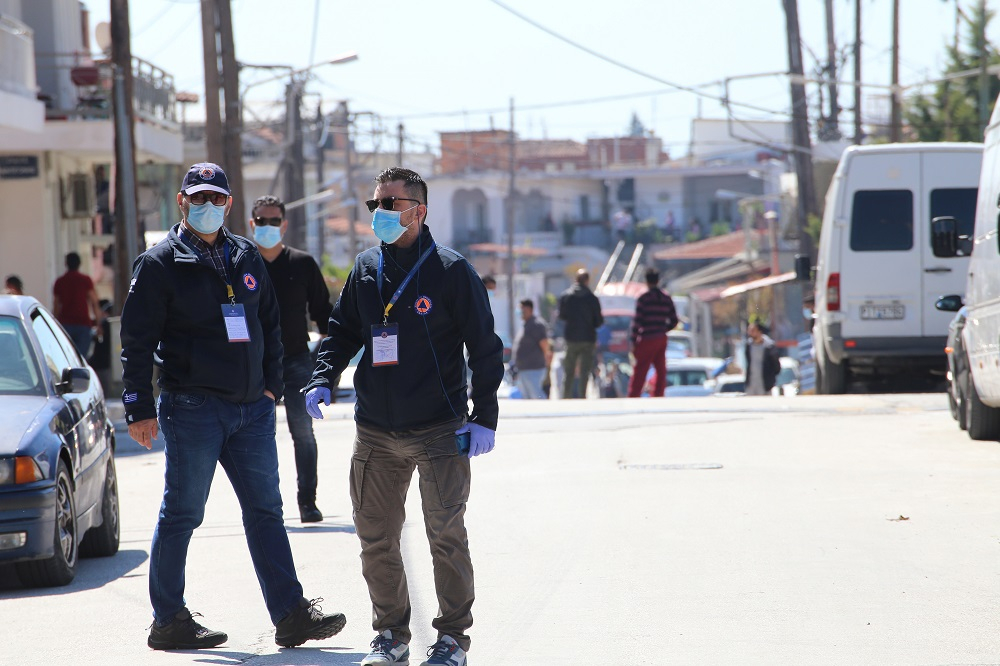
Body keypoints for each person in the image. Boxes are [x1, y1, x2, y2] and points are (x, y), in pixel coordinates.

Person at [119, 162, 345, 651]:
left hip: (252, 410)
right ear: (182, 201)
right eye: (197, 198)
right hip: (193, 406)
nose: (207, 207)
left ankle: (291, 614)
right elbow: (135, 341)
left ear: (229, 204)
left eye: (216, 199)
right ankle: (168, 620)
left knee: (267, 511)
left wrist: (270, 387)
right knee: (182, 513)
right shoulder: (159, 262)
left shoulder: (245, 254)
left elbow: (269, 324)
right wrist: (138, 407)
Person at [303, 167, 503, 666]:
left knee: (446, 538)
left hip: (440, 429)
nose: (381, 213)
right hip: (375, 431)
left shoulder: (452, 271)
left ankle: (453, 638)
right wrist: (322, 376)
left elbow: (485, 347)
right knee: (375, 539)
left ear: (419, 210)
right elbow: (342, 330)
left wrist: (486, 416)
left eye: (391, 204)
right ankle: (391, 635)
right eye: (375, 205)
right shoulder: (366, 268)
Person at [250, 194, 333, 523]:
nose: (267, 226)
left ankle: (307, 502)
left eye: (274, 221)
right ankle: (266, 507)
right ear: (251, 223)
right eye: (261, 221)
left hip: (297, 360)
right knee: (256, 437)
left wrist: (325, 367)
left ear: (283, 225)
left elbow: (325, 318)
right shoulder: (241, 261)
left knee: (303, 433)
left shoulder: (302, 264)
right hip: (253, 366)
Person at [627, 267, 678, 398]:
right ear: (658, 281)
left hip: (647, 338)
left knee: (641, 369)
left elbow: (637, 322)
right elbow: (674, 320)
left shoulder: (643, 299)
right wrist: (662, 329)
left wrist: (633, 340)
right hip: (661, 338)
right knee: (660, 369)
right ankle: (658, 395)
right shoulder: (666, 298)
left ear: (647, 282)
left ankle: (634, 395)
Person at [558, 269, 603, 399]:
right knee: (585, 371)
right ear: (587, 281)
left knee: (569, 370)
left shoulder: (566, 296)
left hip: (571, 338)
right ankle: (582, 396)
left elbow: (562, 316)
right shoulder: (592, 298)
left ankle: (566, 397)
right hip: (588, 339)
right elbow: (599, 321)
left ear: (576, 280)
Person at [52, 252, 103, 356]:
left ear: (66, 264)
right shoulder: (85, 280)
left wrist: (54, 325)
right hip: (83, 325)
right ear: (79, 264)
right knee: (81, 358)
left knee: (67, 356)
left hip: (65, 324)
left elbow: (56, 306)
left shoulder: (60, 282)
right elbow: (94, 302)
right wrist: (98, 324)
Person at [512, 298, 552, 399]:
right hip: (524, 369)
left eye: (521, 309)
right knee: (527, 397)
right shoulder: (526, 325)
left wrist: (547, 361)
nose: (519, 311)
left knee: (536, 395)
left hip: (534, 368)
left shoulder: (536, 324)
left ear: (529, 309)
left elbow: (545, 345)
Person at [744, 321, 780, 396]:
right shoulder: (748, 346)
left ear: (759, 331)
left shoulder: (769, 346)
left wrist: (770, 379)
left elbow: (776, 366)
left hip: (765, 385)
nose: (750, 333)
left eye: (753, 330)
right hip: (752, 384)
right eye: (749, 330)